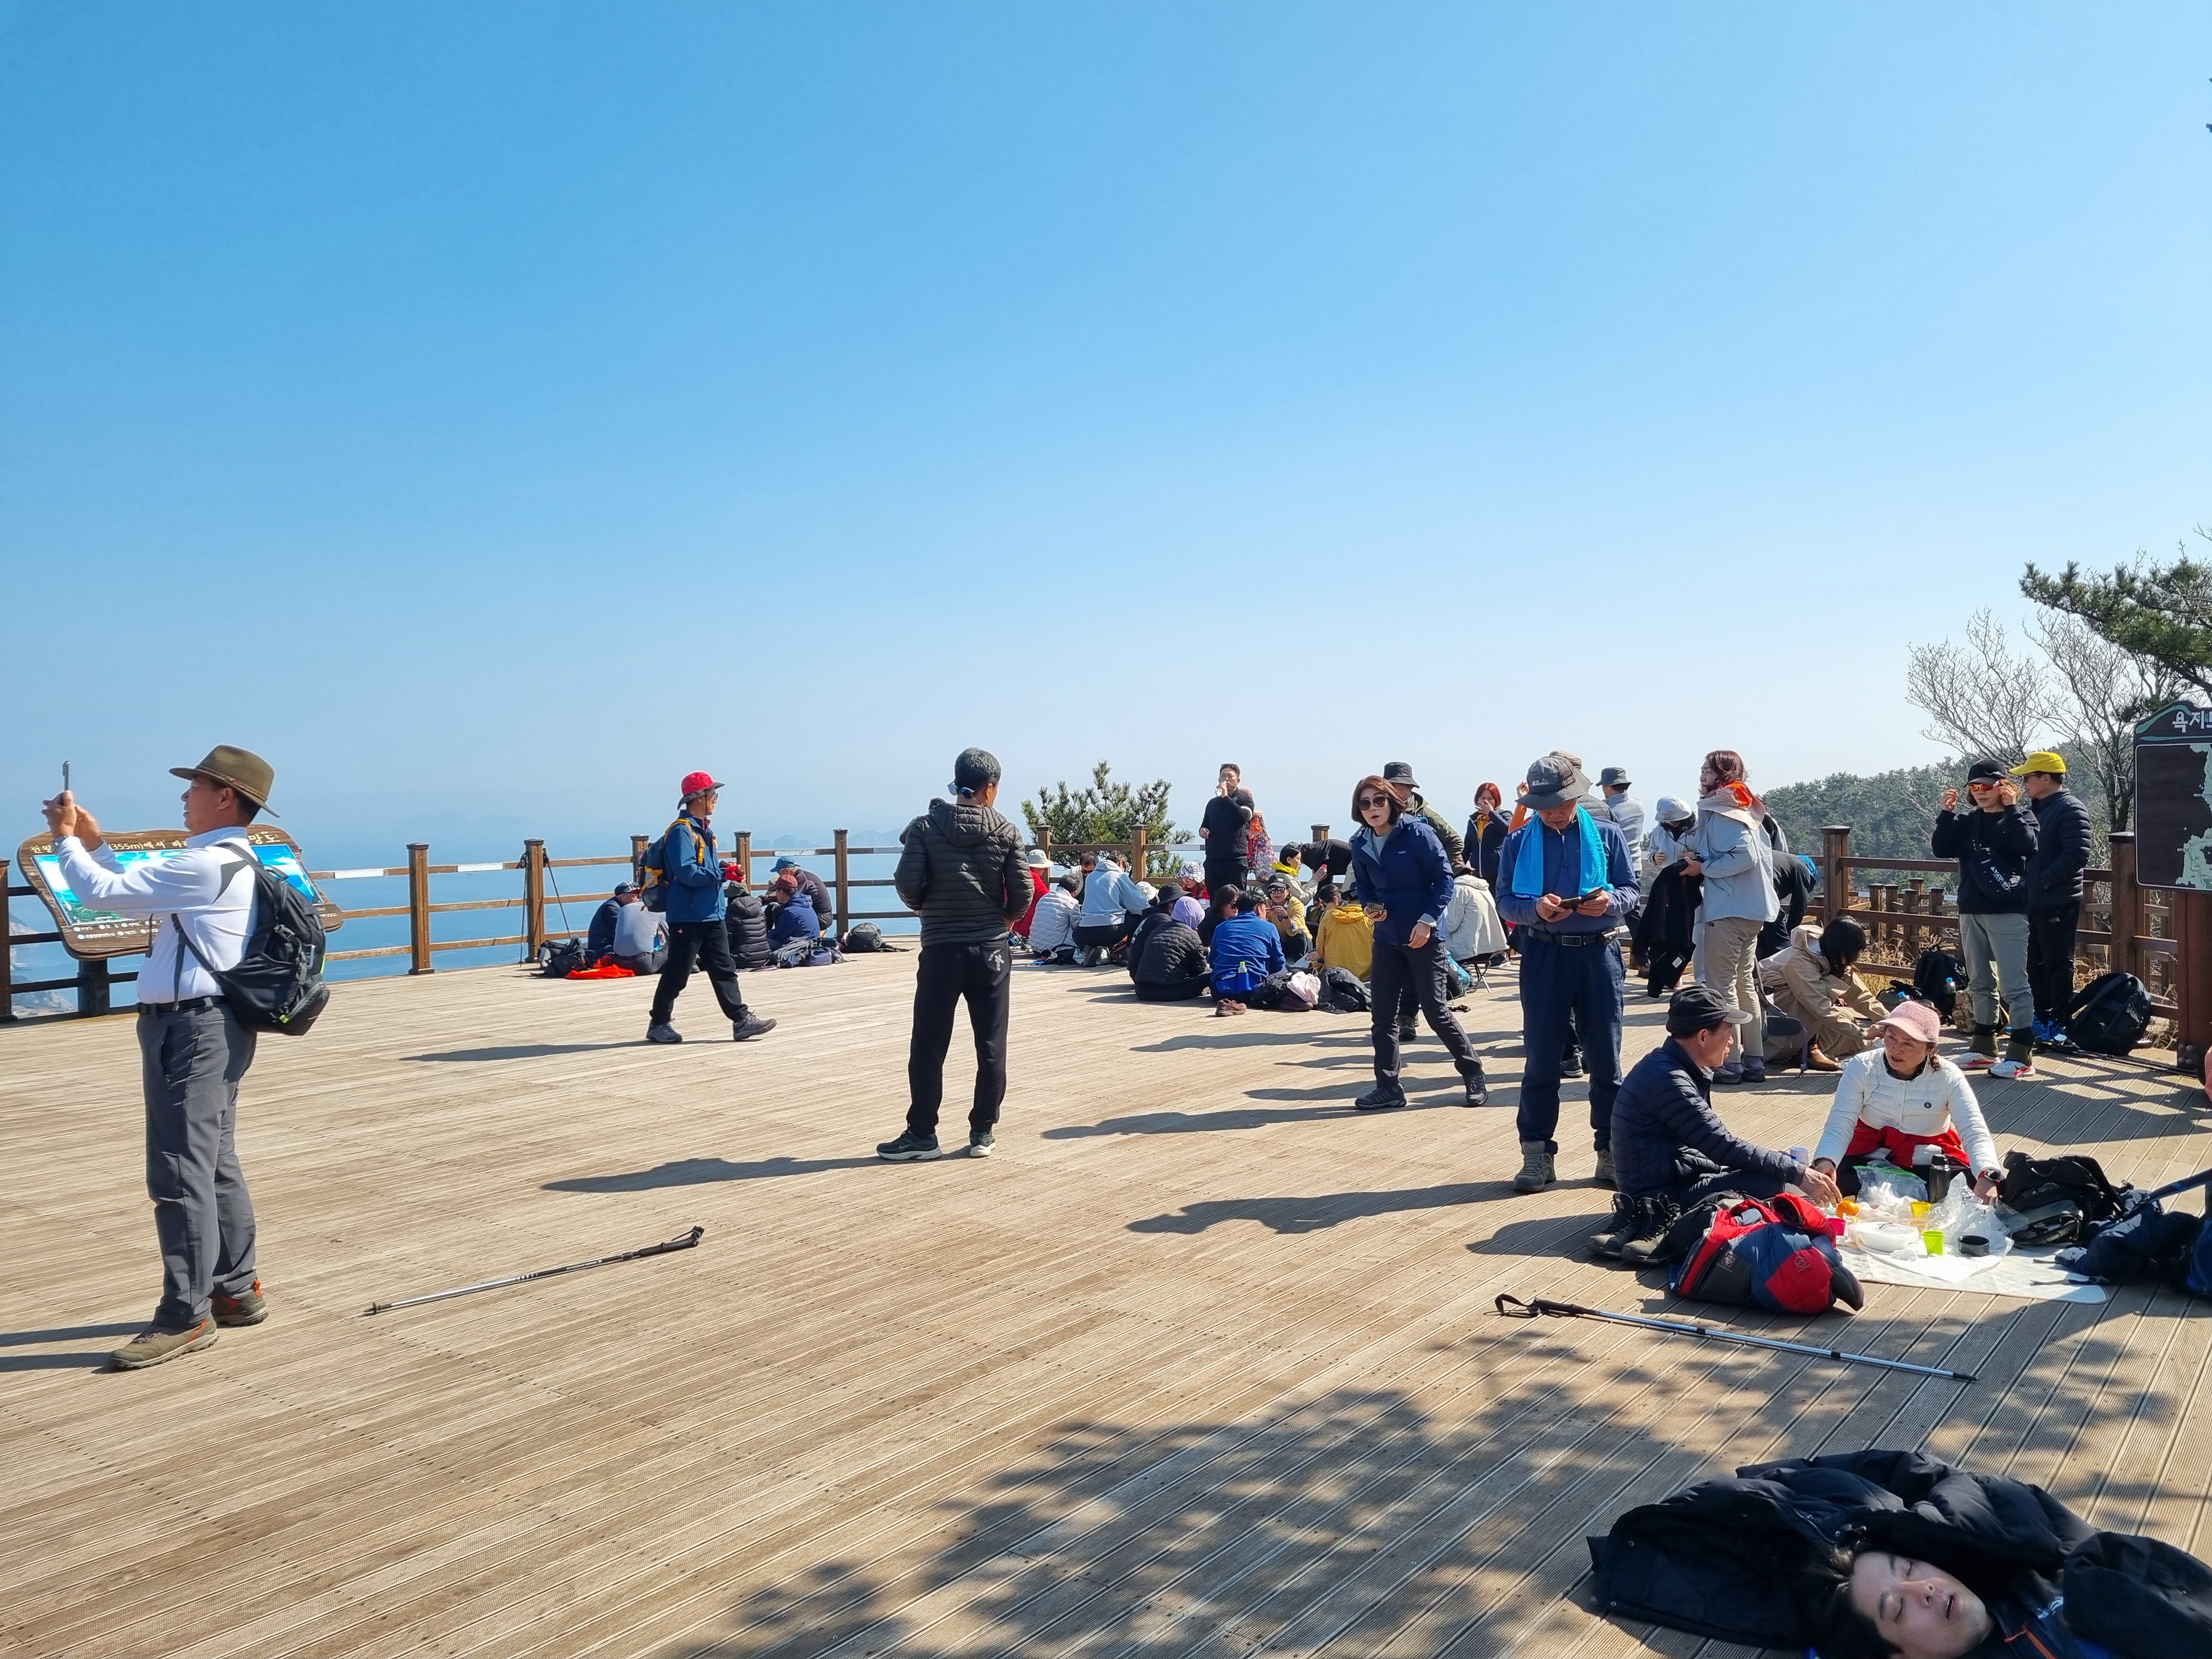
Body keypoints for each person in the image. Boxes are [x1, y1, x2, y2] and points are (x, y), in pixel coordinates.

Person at [38, 746, 292, 1370]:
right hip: (214, 1026)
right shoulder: (230, 859)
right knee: (214, 1161)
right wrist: (94, 842)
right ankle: (235, 1290)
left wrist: (64, 840)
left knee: (179, 1171)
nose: (184, 796)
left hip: (192, 1031)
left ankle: (186, 1315)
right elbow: (136, 891)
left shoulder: (204, 864)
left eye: (195, 786)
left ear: (225, 796)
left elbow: (101, 895)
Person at [1595, 985, 1842, 1261]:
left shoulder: (1669, 1065)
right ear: (1703, 1037)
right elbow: (1722, 1146)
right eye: (1728, 1033)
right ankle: (1659, 1225)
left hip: (1666, 1179)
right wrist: (1797, 1173)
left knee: (1775, 1165)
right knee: (1769, 1180)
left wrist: (1785, 1165)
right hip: (1660, 1197)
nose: (1733, 1042)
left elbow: (1714, 1145)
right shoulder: (1671, 1081)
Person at [1492, 754, 1640, 1190]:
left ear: (1577, 796)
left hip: (1599, 953)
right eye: (1543, 804)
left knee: (1606, 1062)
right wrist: (1535, 910)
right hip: (1544, 954)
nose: (1553, 811)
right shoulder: (1518, 842)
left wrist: (1609, 903)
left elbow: (1631, 890)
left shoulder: (1608, 835)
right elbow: (1505, 900)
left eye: (1560, 802)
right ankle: (1537, 1154)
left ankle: (1610, 1151)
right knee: (1541, 1061)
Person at [877, 747, 1031, 1162]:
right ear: (991, 788)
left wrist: (922, 908)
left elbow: (906, 881)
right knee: (991, 1044)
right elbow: (1023, 892)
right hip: (991, 951)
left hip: (941, 948)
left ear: (958, 782)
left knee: (929, 1043)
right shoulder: (1007, 831)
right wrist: (1006, 921)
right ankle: (982, 1132)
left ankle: (922, 1134)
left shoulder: (926, 827)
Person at [1348, 775, 1489, 1109]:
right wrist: (1370, 907)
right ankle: (1388, 1087)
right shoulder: (1360, 842)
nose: (1372, 809)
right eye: (1365, 803)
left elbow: (1444, 880)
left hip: (1424, 937)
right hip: (1386, 938)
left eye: (1379, 801)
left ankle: (1473, 1073)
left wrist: (1427, 921)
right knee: (1383, 1016)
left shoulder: (1418, 833)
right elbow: (1364, 886)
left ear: (1392, 802)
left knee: (1436, 1012)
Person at [1809, 998, 2001, 1200]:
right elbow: (1840, 1122)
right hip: (1867, 1156)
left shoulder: (1948, 1076)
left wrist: (1987, 1174)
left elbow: (1973, 1129)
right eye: (1891, 1038)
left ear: (1930, 1048)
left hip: (1927, 1160)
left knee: (1968, 1191)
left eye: (1908, 1043)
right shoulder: (1863, 1066)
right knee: (1837, 1184)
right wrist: (1826, 1161)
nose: (1896, 1049)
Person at [647, 773, 776, 1045]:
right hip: (688, 915)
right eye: (712, 795)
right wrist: (721, 875)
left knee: (724, 968)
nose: (716, 800)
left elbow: (703, 868)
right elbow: (686, 872)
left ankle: (741, 1020)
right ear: (699, 798)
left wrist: (725, 870)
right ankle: (658, 1023)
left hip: (712, 913)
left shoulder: (704, 831)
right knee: (678, 972)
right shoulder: (681, 831)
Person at [1932, 759, 2040, 1078]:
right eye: (1974, 787)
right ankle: (1983, 1048)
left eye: (1987, 786)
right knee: (1979, 981)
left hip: (2008, 910)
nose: (1980, 792)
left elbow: (2028, 845)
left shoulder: (2021, 817)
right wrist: (1946, 814)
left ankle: (2021, 1054)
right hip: (1971, 908)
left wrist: (2012, 808)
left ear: (2003, 787)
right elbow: (1941, 848)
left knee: (2014, 984)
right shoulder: (1968, 823)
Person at [1681, 750, 1780, 1085]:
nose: (1702, 775)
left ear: (1722, 775)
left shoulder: (1724, 810)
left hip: (1729, 909)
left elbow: (1744, 856)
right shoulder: (1743, 804)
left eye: (1707, 770)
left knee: (1722, 985)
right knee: (1744, 982)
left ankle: (1729, 1061)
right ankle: (1754, 1059)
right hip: (1752, 909)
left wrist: (1704, 868)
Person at [2016, 749, 2093, 1053]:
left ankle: (2060, 1021)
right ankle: (2040, 1018)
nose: (2024, 783)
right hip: (2034, 900)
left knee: (2058, 962)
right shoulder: (2036, 810)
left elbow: (2078, 853)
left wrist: (2044, 880)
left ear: (2046, 778)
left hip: (2058, 900)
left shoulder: (2071, 809)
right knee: (2033, 962)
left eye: (2028, 777)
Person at [1758, 915, 1882, 1070]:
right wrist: (1863, 1033)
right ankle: (1809, 1049)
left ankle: (1803, 1051)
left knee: (1846, 1018)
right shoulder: (1799, 962)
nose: (1855, 958)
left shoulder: (1832, 956)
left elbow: (1859, 995)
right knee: (1823, 1002)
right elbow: (1819, 1007)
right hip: (1771, 1022)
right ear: (1841, 948)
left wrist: (1891, 1020)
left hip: (1797, 1014)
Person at [1206, 887, 1286, 1014]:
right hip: (1254, 991)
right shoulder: (1270, 928)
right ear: (1259, 909)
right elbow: (1278, 964)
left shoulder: (1221, 928)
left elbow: (1212, 961)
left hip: (1220, 991)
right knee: (1286, 971)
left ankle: (1231, 1003)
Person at [1382, 761, 1465, 866]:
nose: (1390, 789)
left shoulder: (1426, 815)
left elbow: (1456, 842)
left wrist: (1439, 867)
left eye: (1394, 784)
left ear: (1409, 786)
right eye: (1387, 786)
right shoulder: (1380, 814)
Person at [1129, 896, 1212, 1001]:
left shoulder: (1158, 929)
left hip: (1141, 990)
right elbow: (1199, 969)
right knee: (1209, 973)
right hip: (1167, 991)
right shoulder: (1191, 935)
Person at [1074, 850, 1149, 964]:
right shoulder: (1119, 876)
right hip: (1111, 931)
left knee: (1086, 926)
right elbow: (1137, 905)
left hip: (1085, 932)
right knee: (1137, 916)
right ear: (1121, 863)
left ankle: (1089, 949)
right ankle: (1128, 953)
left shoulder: (1090, 877)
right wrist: (1151, 910)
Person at [1199, 764, 1255, 900]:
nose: (1226, 779)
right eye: (1223, 776)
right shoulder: (1212, 803)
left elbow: (1243, 817)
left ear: (1238, 780)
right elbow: (1205, 824)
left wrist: (1226, 798)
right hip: (1214, 859)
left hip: (1235, 860)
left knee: (1236, 898)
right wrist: (1203, 830)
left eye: (1230, 776)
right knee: (1216, 900)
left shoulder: (1245, 799)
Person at [1758, 851, 1818, 958]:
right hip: (1762, 889)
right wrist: (1790, 932)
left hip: (1744, 887)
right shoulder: (1801, 866)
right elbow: (1799, 907)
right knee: (1782, 944)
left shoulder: (1784, 865)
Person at [1442, 866, 1506, 966]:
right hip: (1491, 948)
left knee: (1436, 951)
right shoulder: (1483, 888)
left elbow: (1451, 924)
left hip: (1469, 950)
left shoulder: (1458, 889)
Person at [1311, 881, 1374, 980]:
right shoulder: (1373, 917)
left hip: (1335, 976)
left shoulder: (1329, 916)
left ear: (1348, 899)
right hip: (1365, 977)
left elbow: (1320, 950)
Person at [606, 883, 667, 973]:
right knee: (675, 945)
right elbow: (674, 936)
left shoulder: (623, 909)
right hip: (643, 964)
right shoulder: (657, 909)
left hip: (619, 962)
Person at [768, 856, 836, 931]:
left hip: (822, 918)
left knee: (779, 912)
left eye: (779, 873)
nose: (780, 876)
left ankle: (780, 936)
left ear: (787, 871)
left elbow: (791, 899)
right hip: (821, 915)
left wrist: (767, 900)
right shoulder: (804, 876)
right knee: (775, 909)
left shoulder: (802, 880)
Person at [1643, 796, 1696, 892]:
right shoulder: (1659, 830)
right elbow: (1652, 851)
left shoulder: (1699, 828)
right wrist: (1655, 858)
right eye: (1671, 820)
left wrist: (1696, 855)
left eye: (1677, 819)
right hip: (1668, 880)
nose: (1674, 822)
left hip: (1694, 880)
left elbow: (1708, 851)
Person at [1025, 873, 1082, 960]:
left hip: (1035, 947)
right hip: (1052, 949)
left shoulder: (1044, 898)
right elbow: (1077, 927)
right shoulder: (1071, 902)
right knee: (1077, 926)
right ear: (1075, 892)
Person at [1464, 782, 1510, 890]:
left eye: (1490, 799)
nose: (1486, 802)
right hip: (1477, 877)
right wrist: (1459, 869)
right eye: (1483, 798)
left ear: (1496, 800)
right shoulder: (1473, 820)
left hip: (1499, 876)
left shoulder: (1505, 815)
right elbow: (1467, 848)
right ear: (1477, 800)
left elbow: (1509, 830)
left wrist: (1492, 814)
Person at [1597, 767, 1646, 857]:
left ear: (1609, 786)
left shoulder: (1606, 810)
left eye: (1603, 786)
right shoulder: (1639, 806)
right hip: (1636, 862)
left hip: (1616, 862)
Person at [724, 879, 772, 969]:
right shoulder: (758, 908)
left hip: (741, 960)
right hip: (764, 958)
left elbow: (728, 941)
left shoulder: (732, 911)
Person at [766, 872, 822, 944]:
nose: (776, 896)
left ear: (781, 892)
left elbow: (777, 935)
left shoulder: (791, 912)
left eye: (776, 892)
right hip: (809, 943)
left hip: (800, 947)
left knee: (762, 943)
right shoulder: (804, 903)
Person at [1262, 876, 1310, 957]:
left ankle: (1300, 962)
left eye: (1281, 890)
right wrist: (1263, 917)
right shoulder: (1266, 903)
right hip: (1280, 942)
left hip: (1299, 942)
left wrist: (1286, 917)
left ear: (1288, 891)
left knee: (1298, 935)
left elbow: (1294, 928)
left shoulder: (1297, 904)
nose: (1276, 893)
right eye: (1272, 890)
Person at [1012, 847, 1052, 944]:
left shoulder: (1019, 873)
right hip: (1026, 922)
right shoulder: (1033, 877)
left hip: (1013, 916)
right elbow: (1046, 897)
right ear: (1039, 868)